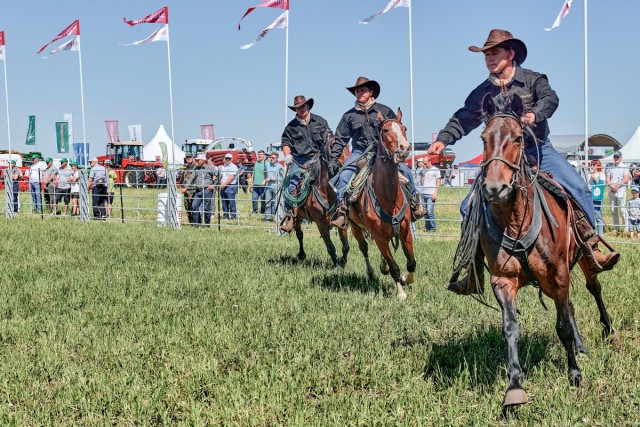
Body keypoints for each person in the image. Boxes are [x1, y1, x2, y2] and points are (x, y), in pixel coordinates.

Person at [426, 29, 619, 294]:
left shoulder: (533, 79)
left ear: (511, 53)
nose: (489, 58)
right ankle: (474, 274)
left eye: (494, 53)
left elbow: (551, 99)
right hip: (501, 158)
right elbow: (463, 119)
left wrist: (535, 115)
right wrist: (444, 138)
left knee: (579, 189)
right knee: (466, 206)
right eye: (486, 55)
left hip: (539, 150)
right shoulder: (482, 92)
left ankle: (591, 251)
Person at [329, 77, 422, 228]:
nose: (359, 93)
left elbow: (397, 130)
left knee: (405, 171)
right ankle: (342, 212)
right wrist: (334, 159)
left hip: (384, 152)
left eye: (363, 90)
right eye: (357, 91)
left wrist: (397, 149)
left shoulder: (385, 111)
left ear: (371, 92)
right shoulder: (349, 116)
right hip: (359, 152)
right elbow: (340, 139)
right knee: (344, 176)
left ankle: (414, 204)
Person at [279, 95, 333, 232]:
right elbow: (285, 143)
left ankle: (341, 211)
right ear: (295, 109)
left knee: (336, 180)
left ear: (307, 106)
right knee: (290, 185)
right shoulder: (291, 127)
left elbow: (330, 138)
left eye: (302, 106)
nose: (301, 109)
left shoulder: (320, 121)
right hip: (300, 160)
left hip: (320, 158)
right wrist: (287, 155)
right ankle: (290, 215)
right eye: (298, 107)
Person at [181, 153, 217, 226]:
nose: (197, 161)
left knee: (207, 208)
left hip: (207, 190)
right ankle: (195, 224)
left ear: (203, 160)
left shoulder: (210, 168)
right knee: (194, 206)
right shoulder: (197, 169)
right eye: (196, 160)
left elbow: (219, 175)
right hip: (198, 191)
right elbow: (191, 179)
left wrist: (213, 185)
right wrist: (185, 188)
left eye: (198, 160)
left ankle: (207, 225)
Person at [606, 151, 631, 233]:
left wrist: (616, 186)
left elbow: (626, 178)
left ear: (621, 158)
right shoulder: (610, 167)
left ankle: (626, 228)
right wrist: (611, 186)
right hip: (611, 190)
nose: (616, 158)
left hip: (621, 190)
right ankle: (616, 228)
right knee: (613, 210)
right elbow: (607, 179)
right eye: (615, 157)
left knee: (622, 209)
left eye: (617, 157)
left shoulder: (624, 167)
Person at [419, 156, 441, 232]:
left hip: (431, 193)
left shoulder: (436, 170)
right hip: (424, 193)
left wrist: (435, 193)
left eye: (425, 163)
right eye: (423, 163)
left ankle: (433, 228)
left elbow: (438, 182)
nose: (424, 165)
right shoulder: (423, 170)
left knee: (430, 211)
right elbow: (421, 183)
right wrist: (422, 176)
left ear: (429, 161)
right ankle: (427, 227)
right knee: (425, 212)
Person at [264, 152, 284, 221]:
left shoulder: (280, 167)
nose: (271, 159)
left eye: (273, 158)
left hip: (276, 187)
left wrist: (273, 179)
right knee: (267, 203)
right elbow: (265, 172)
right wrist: (265, 179)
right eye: (271, 157)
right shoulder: (267, 164)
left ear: (277, 159)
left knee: (276, 203)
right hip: (268, 187)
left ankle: (277, 218)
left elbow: (283, 178)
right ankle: (267, 218)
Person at [589, 160, 606, 235]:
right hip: (590, 196)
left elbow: (602, 185)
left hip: (597, 197)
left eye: (594, 164)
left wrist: (594, 178)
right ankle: (592, 232)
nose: (592, 166)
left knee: (598, 215)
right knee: (591, 215)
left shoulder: (601, 174)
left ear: (598, 165)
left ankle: (600, 234)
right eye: (591, 164)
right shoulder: (590, 174)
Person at [219, 153, 238, 219]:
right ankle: (225, 216)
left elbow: (231, 177)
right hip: (223, 186)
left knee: (231, 202)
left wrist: (224, 184)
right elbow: (221, 176)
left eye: (229, 158)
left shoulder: (234, 167)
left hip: (230, 186)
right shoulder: (223, 167)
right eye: (226, 158)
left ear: (231, 159)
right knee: (224, 202)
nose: (227, 160)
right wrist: (221, 182)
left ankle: (233, 217)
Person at [180, 153, 197, 225]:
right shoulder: (186, 168)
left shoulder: (196, 167)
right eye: (187, 158)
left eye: (190, 157)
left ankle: (195, 222)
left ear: (193, 158)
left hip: (193, 190)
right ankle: (191, 222)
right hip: (186, 191)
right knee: (187, 207)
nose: (188, 159)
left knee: (193, 206)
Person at [251, 150, 267, 217]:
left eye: (261, 154)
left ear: (264, 155)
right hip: (255, 184)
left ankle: (262, 212)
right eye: (259, 154)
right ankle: (255, 211)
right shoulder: (256, 163)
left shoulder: (266, 163)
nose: (260, 155)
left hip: (262, 184)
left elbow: (267, 173)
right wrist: (252, 179)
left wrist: (265, 180)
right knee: (254, 198)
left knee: (263, 199)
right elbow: (253, 172)